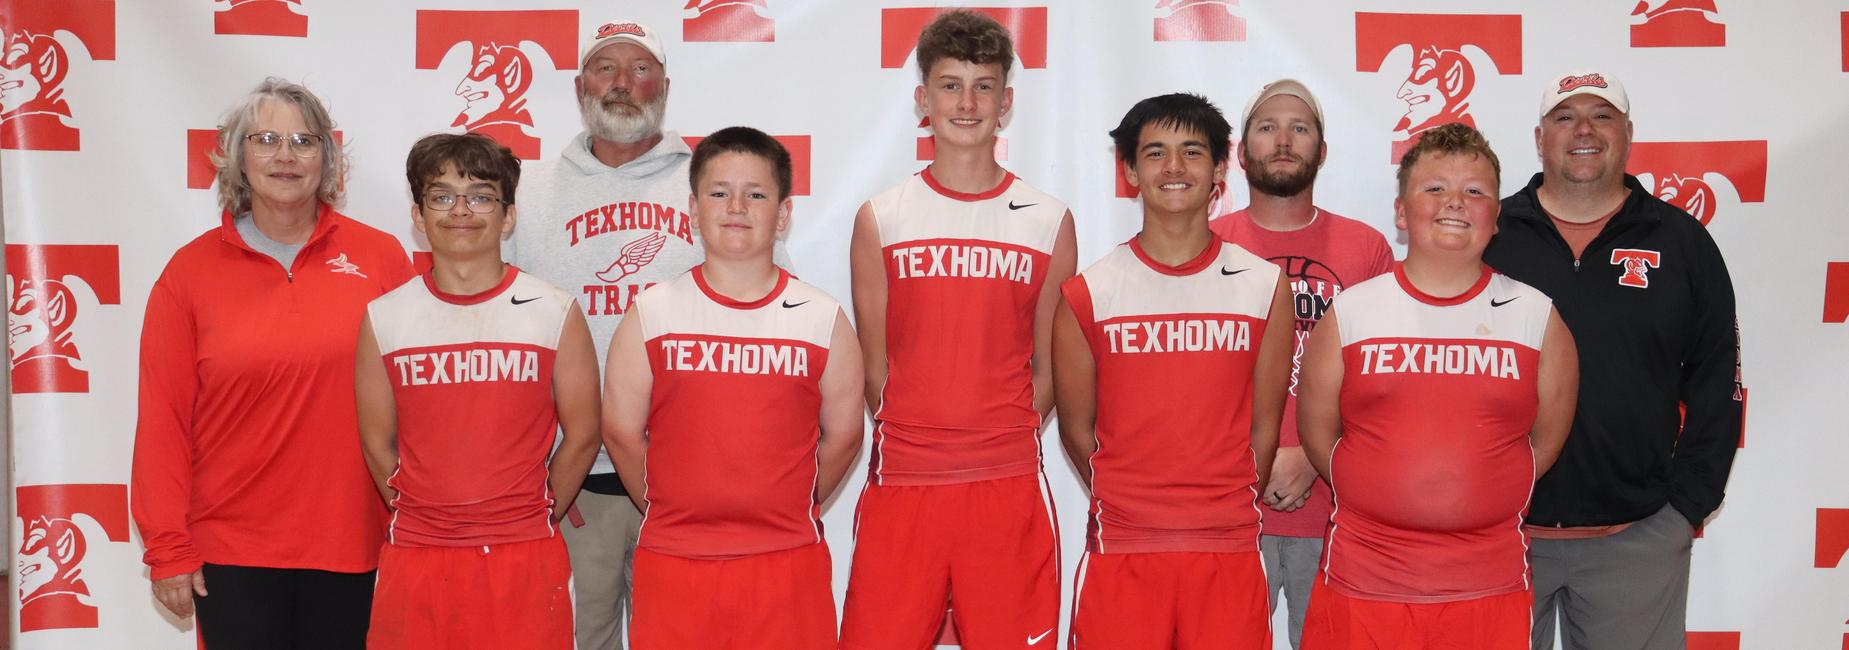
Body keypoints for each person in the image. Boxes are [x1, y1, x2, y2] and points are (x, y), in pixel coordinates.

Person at [509, 19, 778, 647]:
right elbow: (506, 323)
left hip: (693, 483)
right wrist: (546, 478)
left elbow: (766, 310)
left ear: (665, 84)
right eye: (606, 69)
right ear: (580, 86)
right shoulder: (530, 188)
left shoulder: (715, 184)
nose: (622, 83)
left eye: (640, 69)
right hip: (574, 482)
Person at [131, 77, 413, 648]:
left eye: (304, 141)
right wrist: (167, 547)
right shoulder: (188, 274)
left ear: (327, 161)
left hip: (354, 543)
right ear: (237, 160)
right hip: (232, 553)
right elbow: (162, 421)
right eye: (265, 139)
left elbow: (420, 401)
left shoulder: (381, 259)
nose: (285, 155)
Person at [841, 10, 1078, 649]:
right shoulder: (881, 218)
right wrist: (922, 438)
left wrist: (998, 435)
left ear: (1006, 103)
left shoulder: (1048, 221)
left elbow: (1049, 366)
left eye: (983, 86)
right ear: (923, 99)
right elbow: (874, 363)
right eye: (950, 85)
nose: (966, 102)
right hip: (905, 485)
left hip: (1005, 484)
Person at [1484, 70, 1743, 650]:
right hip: (1498, 536)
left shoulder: (1681, 241)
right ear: (1539, 136)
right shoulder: (1491, 233)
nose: (1583, 129)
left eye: (1601, 116)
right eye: (1565, 116)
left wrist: (1685, 508)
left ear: (1627, 135)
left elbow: (1718, 378)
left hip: (1637, 538)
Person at [1295, 122, 1579, 649]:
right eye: (1434, 188)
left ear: (1496, 217)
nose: (1455, 203)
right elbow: (1319, 435)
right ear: (1401, 212)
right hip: (1364, 582)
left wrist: (1479, 492)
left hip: (1487, 590)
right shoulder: (1352, 312)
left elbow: (1545, 443)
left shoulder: (1537, 318)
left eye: (1475, 191)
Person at [601, 127, 864, 649]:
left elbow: (845, 436)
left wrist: (787, 507)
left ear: (784, 214)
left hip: (786, 562)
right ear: (694, 210)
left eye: (757, 193)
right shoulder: (651, 314)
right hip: (675, 562)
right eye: (719, 193)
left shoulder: (821, 318)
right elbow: (621, 432)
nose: (737, 206)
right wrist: (671, 508)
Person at [1053, 92, 1293, 649]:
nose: (1175, 168)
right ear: (1131, 171)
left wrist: (1215, 505)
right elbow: (1076, 428)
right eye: (1155, 153)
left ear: (1218, 170)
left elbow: (1265, 425)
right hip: (1123, 548)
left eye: (1191, 151)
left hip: (1227, 547)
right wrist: (1135, 505)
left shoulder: (1262, 287)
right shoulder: (1089, 292)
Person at [355, 132, 601, 649]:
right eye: (441, 196)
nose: (460, 211)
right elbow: (378, 443)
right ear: (419, 217)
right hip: (418, 555)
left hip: (524, 553)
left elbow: (583, 435)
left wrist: (530, 512)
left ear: (507, 215)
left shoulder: (552, 310)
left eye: (481, 196)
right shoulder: (385, 317)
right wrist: (423, 516)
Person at [1207, 78, 1394, 649]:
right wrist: (1257, 461)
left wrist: (1313, 457)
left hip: (1338, 514)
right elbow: (1194, 384)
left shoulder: (1366, 249)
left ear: (1322, 151)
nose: (1283, 140)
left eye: (1300, 127)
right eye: (1267, 127)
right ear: (1241, 154)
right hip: (1232, 514)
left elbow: (1385, 384)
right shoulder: (1205, 243)